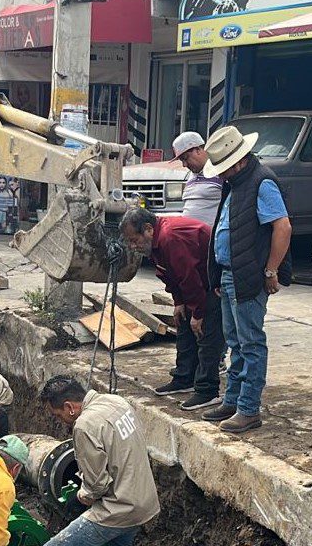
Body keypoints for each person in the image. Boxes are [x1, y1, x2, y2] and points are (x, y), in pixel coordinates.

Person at [32, 376, 159, 546]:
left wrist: (80, 496)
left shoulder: (84, 426)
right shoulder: (116, 402)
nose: (61, 421)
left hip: (118, 509)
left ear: (70, 407)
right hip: (144, 500)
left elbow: (96, 486)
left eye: (59, 416)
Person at [201, 124, 292, 434]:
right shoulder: (237, 183)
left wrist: (270, 270)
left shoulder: (261, 182)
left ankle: (249, 408)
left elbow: (282, 228)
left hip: (248, 276)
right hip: (229, 274)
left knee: (251, 342)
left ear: (237, 161)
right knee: (236, 342)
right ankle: (234, 400)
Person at [120, 207, 224, 411]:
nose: (133, 246)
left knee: (207, 333)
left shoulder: (170, 237)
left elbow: (189, 277)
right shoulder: (157, 242)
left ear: (148, 229)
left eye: (134, 240)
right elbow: (171, 274)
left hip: (214, 282)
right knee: (182, 322)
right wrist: (179, 302)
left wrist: (199, 313)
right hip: (196, 282)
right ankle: (184, 377)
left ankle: (207, 390)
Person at [171, 131, 224, 227]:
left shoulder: (221, 171)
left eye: (185, 158)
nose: (184, 165)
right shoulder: (191, 175)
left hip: (210, 236)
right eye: (181, 160)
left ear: (198, 150)